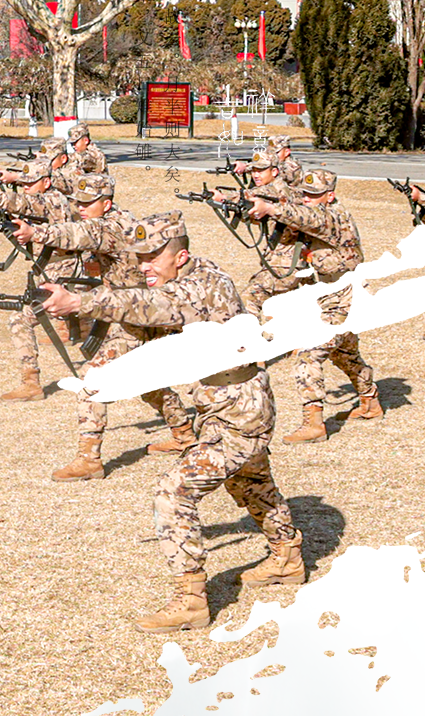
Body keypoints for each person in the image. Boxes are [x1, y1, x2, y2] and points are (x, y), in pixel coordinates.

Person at [41, 213, 301, 633]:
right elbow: (140, 329)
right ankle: (286, 556)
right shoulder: (175, 285)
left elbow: (154, 306)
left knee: (173, 493)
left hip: (238, 409)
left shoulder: (204, 285)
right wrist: (100, 377)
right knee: (250, 481)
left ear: (181, 256)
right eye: (139, 257)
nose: (144, 266)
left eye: (153, 257)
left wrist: (82, 302)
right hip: (226, 406)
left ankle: (191, 601)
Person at [10, 173, 190, 480]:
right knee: (146, 380)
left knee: (92, 380)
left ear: (106, 203)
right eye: (79, 201)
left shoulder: (113, 226)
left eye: (89, 202)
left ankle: (89, 459)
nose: (81, 207)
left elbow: (78, 234)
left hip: (135, 316)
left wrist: (36, 232)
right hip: (133, 311)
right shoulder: (113, 221)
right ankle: (185, 434)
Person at [246, 169, 382, 442]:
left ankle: (315, 424)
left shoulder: (333, 216)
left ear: (330, 196)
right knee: (344, 354)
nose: (308, 199)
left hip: (347, 299)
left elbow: (306, 216)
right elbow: (292, 216)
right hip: (327, 297)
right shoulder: (312, 212)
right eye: (306, 194)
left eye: (315, 195)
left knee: (309, 355)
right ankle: (370, 401)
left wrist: (271, 207)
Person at [0, 160, 84, 400]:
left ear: (47, 182)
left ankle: (31, 383)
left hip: (61, 273)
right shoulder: (49, 202)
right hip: (55, 270)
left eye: (32, 183)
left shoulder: (50, 200)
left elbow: (20, 202)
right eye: (24, 183)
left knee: (20, 319)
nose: (27, 187)